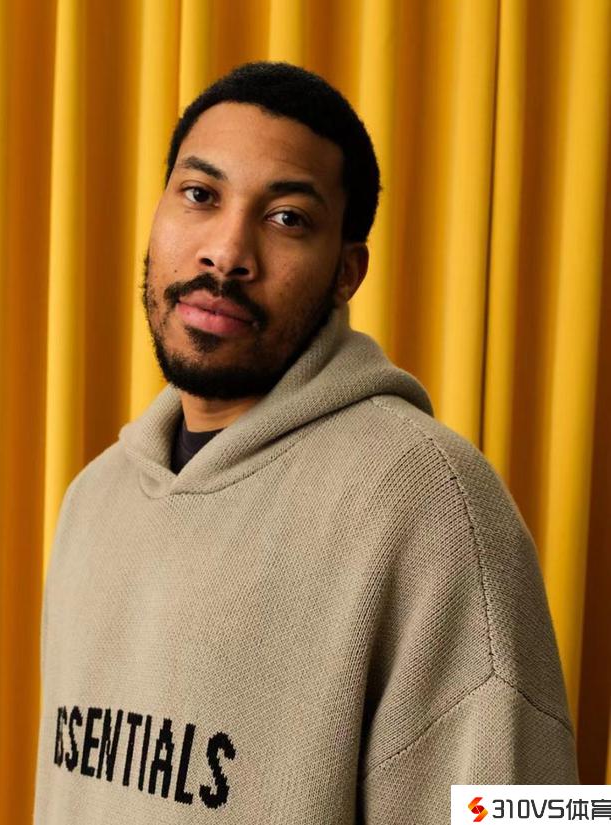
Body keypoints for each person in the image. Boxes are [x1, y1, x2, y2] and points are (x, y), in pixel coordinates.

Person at [33, 62, 578, 824]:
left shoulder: (438, 506)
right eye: (200, 195)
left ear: (346, 272)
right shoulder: (94, 500)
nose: (227, 252)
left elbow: (533, 808)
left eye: (287, 217)